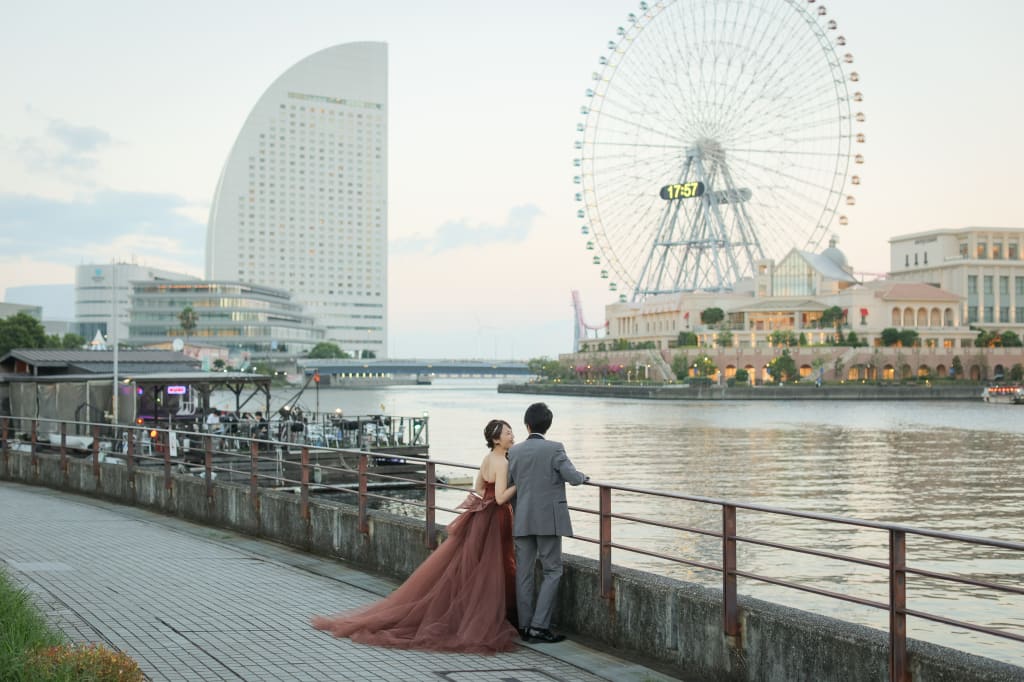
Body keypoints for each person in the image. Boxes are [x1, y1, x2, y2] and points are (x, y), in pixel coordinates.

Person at [311, 419, 519, 653]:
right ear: (496, 439)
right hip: (494, 518)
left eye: (511, 432)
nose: (512, 436)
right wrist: (519, 484)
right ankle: (486, 617)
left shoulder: (488, 459)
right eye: (508, 433)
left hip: (481, 516)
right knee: (490, 568)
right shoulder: (502, 462)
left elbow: (479, 487)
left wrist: (493, 495)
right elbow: (501, 498)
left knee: (474, 568)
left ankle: (471, 614)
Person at [507, 402, 588, 644]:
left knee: (524, 573)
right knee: (553, 570)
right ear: (548, 425)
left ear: (527, 424)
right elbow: (573, 478)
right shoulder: (555, 449)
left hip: (522, 518)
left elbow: (510, 486)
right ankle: (539, 627)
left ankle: (523, 625)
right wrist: (584, 477)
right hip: (548, 521)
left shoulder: (515, 452)